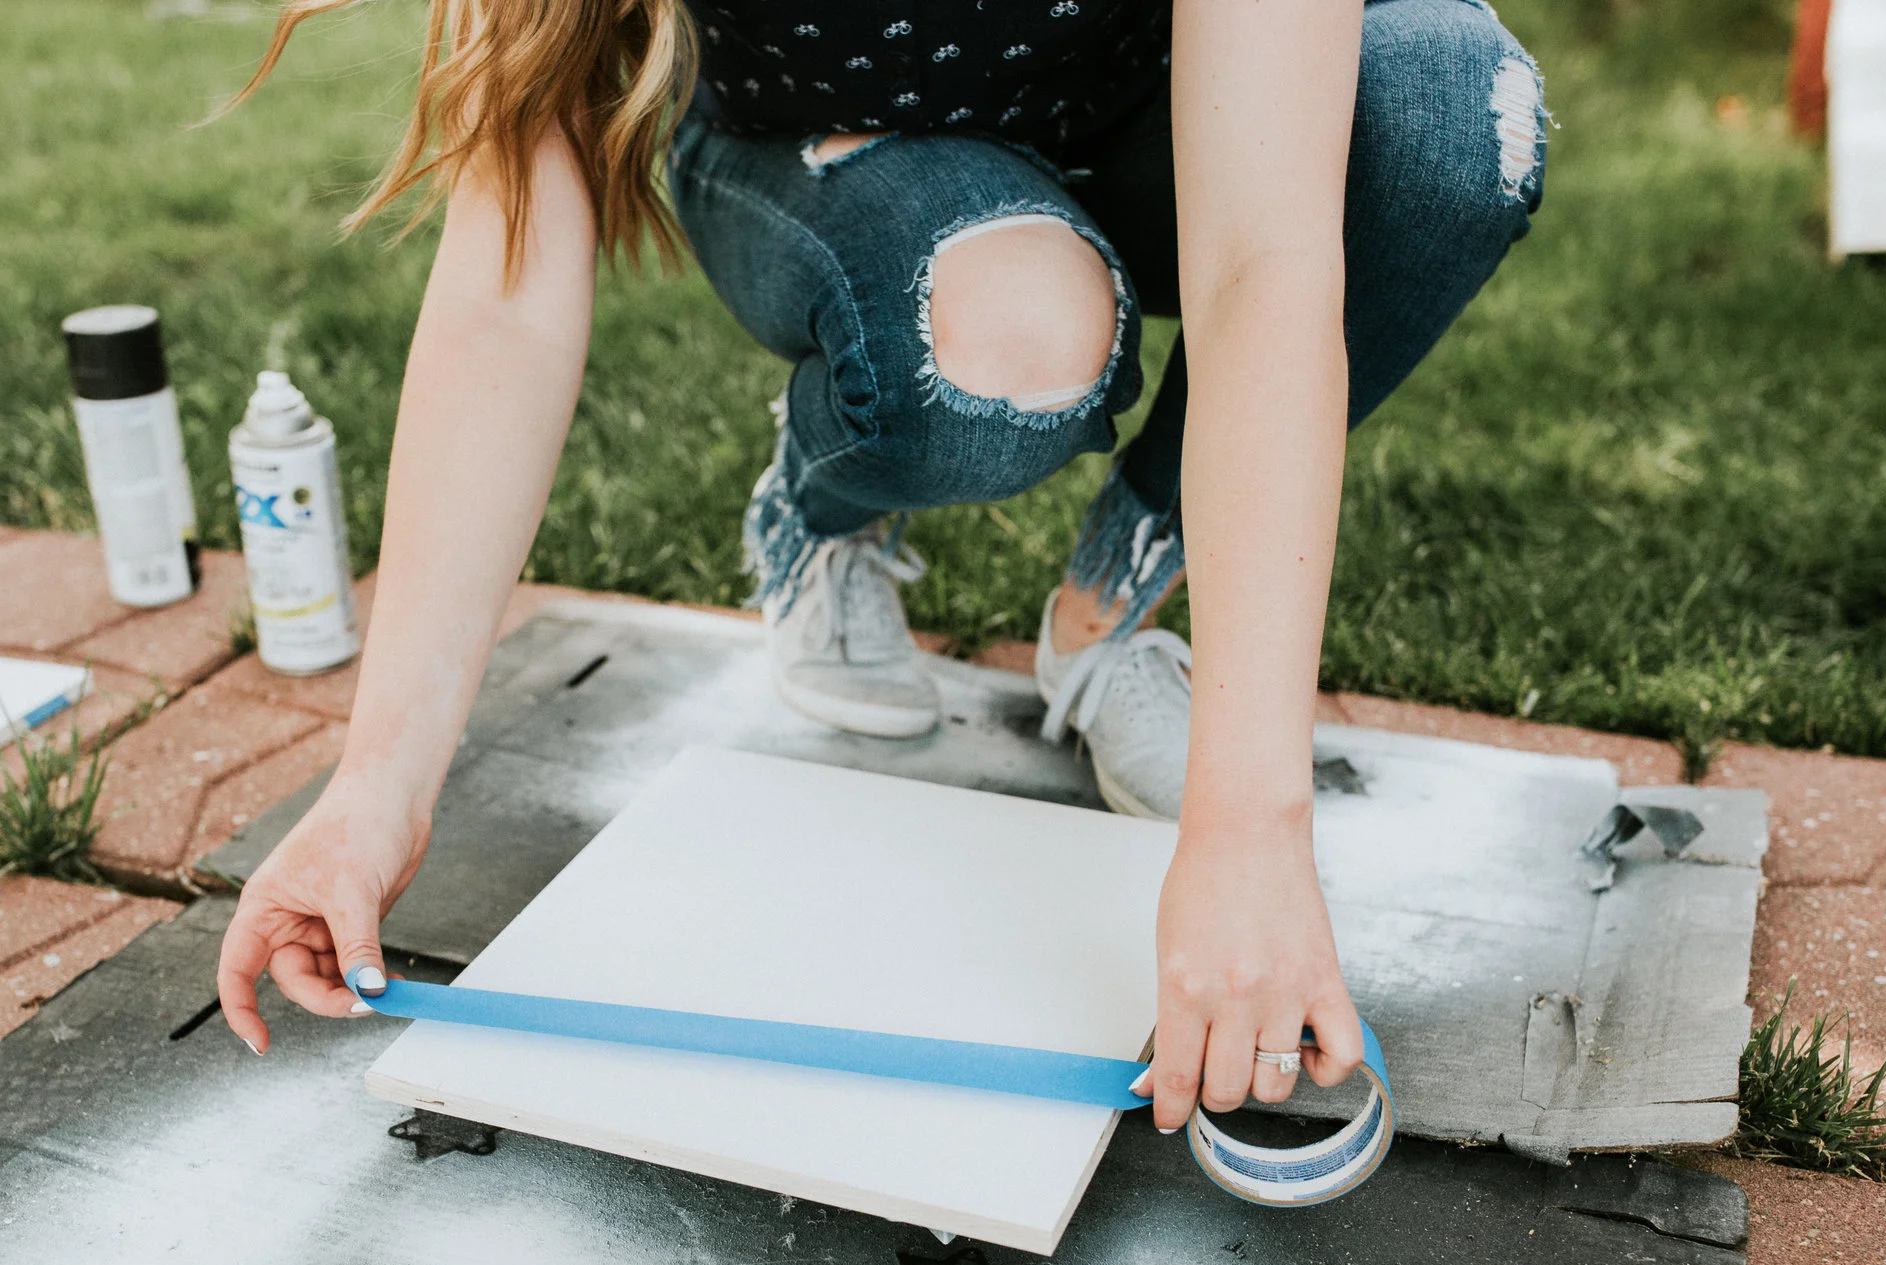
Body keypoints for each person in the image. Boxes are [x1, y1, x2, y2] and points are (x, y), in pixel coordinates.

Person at [215, 0, 1545, 1131]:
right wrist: (376, 788)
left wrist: (1249, 827)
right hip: (824, 145)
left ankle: (1108, 601)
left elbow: (1265, 258)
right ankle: (820, 504)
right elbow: (505, 285)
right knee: (1014, 348)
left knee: (1451, 114)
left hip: (1154, 111)